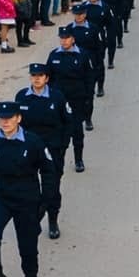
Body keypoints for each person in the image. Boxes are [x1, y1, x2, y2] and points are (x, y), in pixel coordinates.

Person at [0, 101, 58, 277]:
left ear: (18, 119)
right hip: (0, 198)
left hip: (26, 200)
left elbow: (49, 171)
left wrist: (45, 202)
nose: (5, 121)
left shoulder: (32, 142)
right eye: (1, 118)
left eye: (9, 117)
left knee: (28, 249)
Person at [15, 64, 71, 239]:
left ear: (47, 78)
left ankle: (52, 219)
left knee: (51, 187)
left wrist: (62, 146)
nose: (36, 79)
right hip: (30, 149)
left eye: (40, 75)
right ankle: (31, 219)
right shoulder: (22, 97)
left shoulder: (57, 96)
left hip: (52, 148)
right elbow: (16, 124)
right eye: (33, 75)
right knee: (29, 187)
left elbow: (67, 122)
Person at [45, 25, 92, 171]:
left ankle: (79, 159)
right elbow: (48, 78)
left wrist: (88, 97)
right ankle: (59, 159)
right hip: (59, 101)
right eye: (62, 39)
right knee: (59, 132)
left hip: (76, 99)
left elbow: (89, 77)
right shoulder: (54, 55)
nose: (64, 41)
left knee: (77, 131)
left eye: (67, 39)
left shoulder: (82, 55)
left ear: (73, 39)